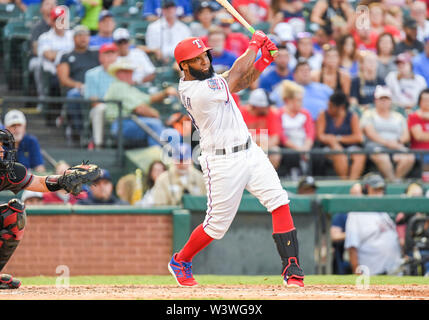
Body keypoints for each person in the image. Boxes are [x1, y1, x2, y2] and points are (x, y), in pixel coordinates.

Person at [169, 32, 305, 288]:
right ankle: (180, 260)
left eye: (204, 56)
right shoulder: (197, 90)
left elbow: (238, 83)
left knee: (279, 201)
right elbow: (234, 75)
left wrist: (263, 60)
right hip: (221, 161)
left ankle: (292, 267)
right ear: (184, 66)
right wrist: (254, 44)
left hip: (249, 151)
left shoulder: (208, 81)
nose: (205, 62)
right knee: (216, 226)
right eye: (196, 60)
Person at [0, 129, 100, 289]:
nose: (2, 151)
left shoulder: (7, 173)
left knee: (14, 214)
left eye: (2, 146)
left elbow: (39, 182)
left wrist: (63, 180)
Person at [104, 59, 180, 147]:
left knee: (172, 133)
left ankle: (173, 156)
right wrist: (156, 115)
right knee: (154, 124)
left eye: (130, 71)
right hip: (121, 124)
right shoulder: (119, 86)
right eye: (126, 72)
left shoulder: (129, 88)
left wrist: (165, 93)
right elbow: (140, 108)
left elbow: (149, 99)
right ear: (118, 74)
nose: (130, 74)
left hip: (131, 122)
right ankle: (160, 155)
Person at [344, 172, 403, 275]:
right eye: (375, 190)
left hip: (394, 272)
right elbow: (352, 248)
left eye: (381, 190)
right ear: (366, 190)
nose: (379, 194)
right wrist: (357, 274)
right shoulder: (356, 214)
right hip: (372, 274)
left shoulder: (383, 212)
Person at [361, 85, 415, 182]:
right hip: (376, 146)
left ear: (390, 101)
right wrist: (387, 143)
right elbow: (370, 133)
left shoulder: (398, 116)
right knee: (382, 157)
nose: (384, 101)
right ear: (376, 100)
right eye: (381, 99)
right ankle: (394, 183)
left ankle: (395, 182)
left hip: (396, 145)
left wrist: (397, 142)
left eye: (386, 99)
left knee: (409, 157)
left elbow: (406, 136)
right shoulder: (369, 114)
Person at [57, 25, 100, 143]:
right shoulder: (66, 56)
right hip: (78, 89)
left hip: (96, 90)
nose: (83, 38)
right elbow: (63, 79)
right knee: (73, 95)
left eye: (86, 35)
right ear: (74, 38)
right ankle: (79, 130)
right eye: (80, 35)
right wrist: (79, 85)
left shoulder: (96, 54)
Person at [37, 6, 75, 126]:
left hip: (73, 72)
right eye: (56, 19)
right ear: (51, 21)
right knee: (54, 84)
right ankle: (54, 117)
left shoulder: (72, 35)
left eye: (62, 19)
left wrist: (58, 53)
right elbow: (49, 55)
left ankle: (69, 119)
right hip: (53, 74)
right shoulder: (45, 37)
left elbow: (78, 54)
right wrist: (67, 55)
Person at [316, 91, 366, 180]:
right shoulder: (323, 114)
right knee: (338, 152)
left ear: (341, 107)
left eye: (331, 106)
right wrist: (333, 143)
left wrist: (337, 139)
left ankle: (351, 183)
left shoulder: (352, 116)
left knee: (359, 156)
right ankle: (345, 183)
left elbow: (358, 137)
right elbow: (320, 136)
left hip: (350, 147)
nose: (329, 108)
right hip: (329, 147)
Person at [84, 42, 118, 149]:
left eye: (112, 54)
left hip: (119, 109)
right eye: (107, 54)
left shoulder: (122, 74)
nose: (110, 57)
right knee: (100, 109)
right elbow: (94, 101)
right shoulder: (91, 74)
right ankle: (98, 145)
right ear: (101, 57)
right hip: (100, 110)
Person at [239, 88, 283, 170]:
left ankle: (267, 177)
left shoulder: (271, 113)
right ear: (257, 106)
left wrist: (261, 146)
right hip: (244, 148)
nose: (268, 108)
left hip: (265, 148)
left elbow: (275, 139)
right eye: (266, 106)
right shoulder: (240, 113)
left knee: (275, 151)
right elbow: (237, 138)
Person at [278, 80, 314, 177]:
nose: (301, 103)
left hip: (304, 145)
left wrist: (305, 148)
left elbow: (310, 134)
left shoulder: (305, 113)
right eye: (298, 100)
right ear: (288, 100)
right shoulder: (280, 114)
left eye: (301, 100)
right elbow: (282, 137)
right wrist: (298, 149)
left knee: (317, 155)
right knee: (291, 155)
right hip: (289, 147)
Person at [28, 0, 57, 102]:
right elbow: (36, 50)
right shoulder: (38, 27)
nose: (51, 6)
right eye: (48, 4)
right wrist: (49, 53)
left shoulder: (62, 25)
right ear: (41, 9)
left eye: (54, 4)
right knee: (38, 65)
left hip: (56, 58)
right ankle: (43, 99)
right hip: (38, 58)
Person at [330, 182, 362, 275]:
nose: (355, 197)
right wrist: (352, 235)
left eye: (358, 194)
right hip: (346, 250)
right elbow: (334, 236)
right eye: (353, 194)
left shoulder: (369, 213)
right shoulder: (342, 214)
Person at [408, 88, 429, 171]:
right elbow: (419, 136)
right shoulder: (414, 116)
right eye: (425, 100)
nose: (427, 102)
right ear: (419, 101)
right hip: (420, 153)